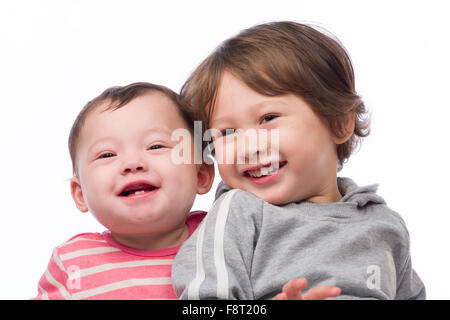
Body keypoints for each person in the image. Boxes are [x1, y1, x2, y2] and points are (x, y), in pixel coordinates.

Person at [172, 21, 426, 299]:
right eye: (227, 132)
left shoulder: (385, 225)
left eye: (268, 118)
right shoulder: (237, 214)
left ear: (339, 123)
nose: (247, 147)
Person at [33, 82, 215, 299]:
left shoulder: (225, 236)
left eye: (155, 146)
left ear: (200, 175)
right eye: (107, 155)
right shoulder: (73, 262)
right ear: (80, 194)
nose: (132, 163)